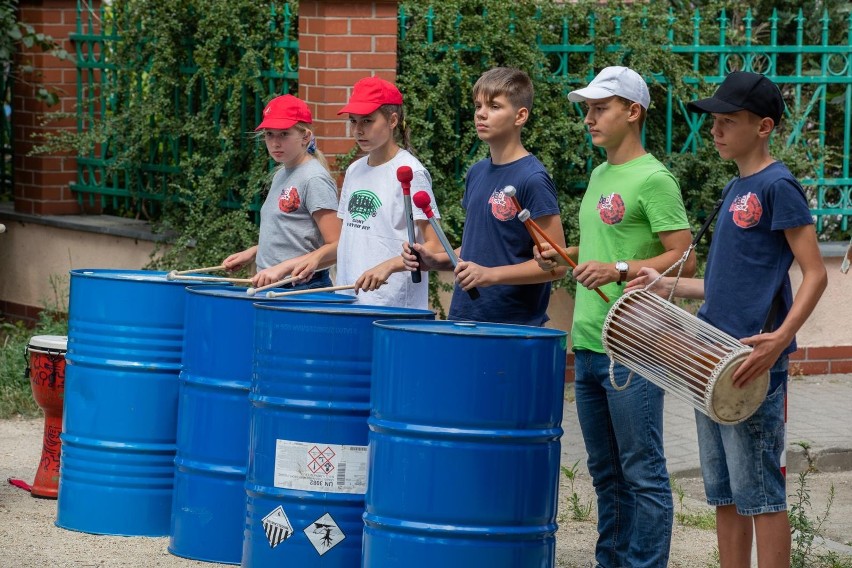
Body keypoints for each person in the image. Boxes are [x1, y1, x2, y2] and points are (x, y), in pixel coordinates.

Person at [627, 71, 828, 568]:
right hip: (709, 359)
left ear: (763, 126)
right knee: (724, 492)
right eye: (713, 122)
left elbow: (816, 273)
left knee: (761, 491)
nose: (715, 131)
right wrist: (665, 285)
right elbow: (725, 286)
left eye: (727, 121)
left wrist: (780, 339)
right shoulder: (736, 186)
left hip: (751, 363)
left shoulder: (778, 185)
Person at [535, 66, 696, 568]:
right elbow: (608, 247)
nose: (589, 118)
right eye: (586, 108)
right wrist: (565, 253)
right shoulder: (602, 174)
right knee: (605, 473)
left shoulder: (654, 178)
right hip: (587, 342)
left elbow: (684, 257)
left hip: (635, 345)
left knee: (642, 473)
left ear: (633, 111)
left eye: (599, 108)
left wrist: (621, 269)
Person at [403, 67, 569, 325]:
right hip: (464, 317)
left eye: (494, 106)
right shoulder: (477, 172)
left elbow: (558, 266)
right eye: (477, 105)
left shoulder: (533, 179)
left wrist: (490, 275)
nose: (481, 113)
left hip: (512, 327)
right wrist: (435, 260)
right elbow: (481, 247)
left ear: (520, 115)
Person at [335, 76, 443, 309]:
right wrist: (308, 261)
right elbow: (348, 240)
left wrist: (389, 265)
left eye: (368, 121)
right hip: (347, 299)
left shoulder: (411, 172)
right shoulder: (354, 170)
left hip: (392, 304)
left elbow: (435, 246)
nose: (358, 130)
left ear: (393, 120)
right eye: (353, 121)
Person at [222, 94, 340, 290]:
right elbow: (291, 237)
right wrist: (254, 253)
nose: (275, 143)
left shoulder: (314, 179)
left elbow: (337, 245)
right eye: (269, 134)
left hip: (299, 287)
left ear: (305, 137)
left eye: (284, 134)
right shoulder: (281, 173)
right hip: (273, 285)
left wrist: (282, 268)